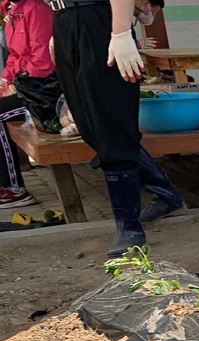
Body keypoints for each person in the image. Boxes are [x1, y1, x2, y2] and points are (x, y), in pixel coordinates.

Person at [50, 0, 183, 255]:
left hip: (98, 17)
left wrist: (121, 32)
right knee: (90, 127)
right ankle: (165, 193)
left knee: (112, 122)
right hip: (64, 19)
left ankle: (129, 226)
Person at [0, 0, 56, 208]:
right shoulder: (12, 10)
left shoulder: (35, 8)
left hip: (45, 92)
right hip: (26, 85)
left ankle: (14, 189)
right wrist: (5, 80)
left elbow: (43, 63)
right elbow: (15, 56)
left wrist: (17, 83)